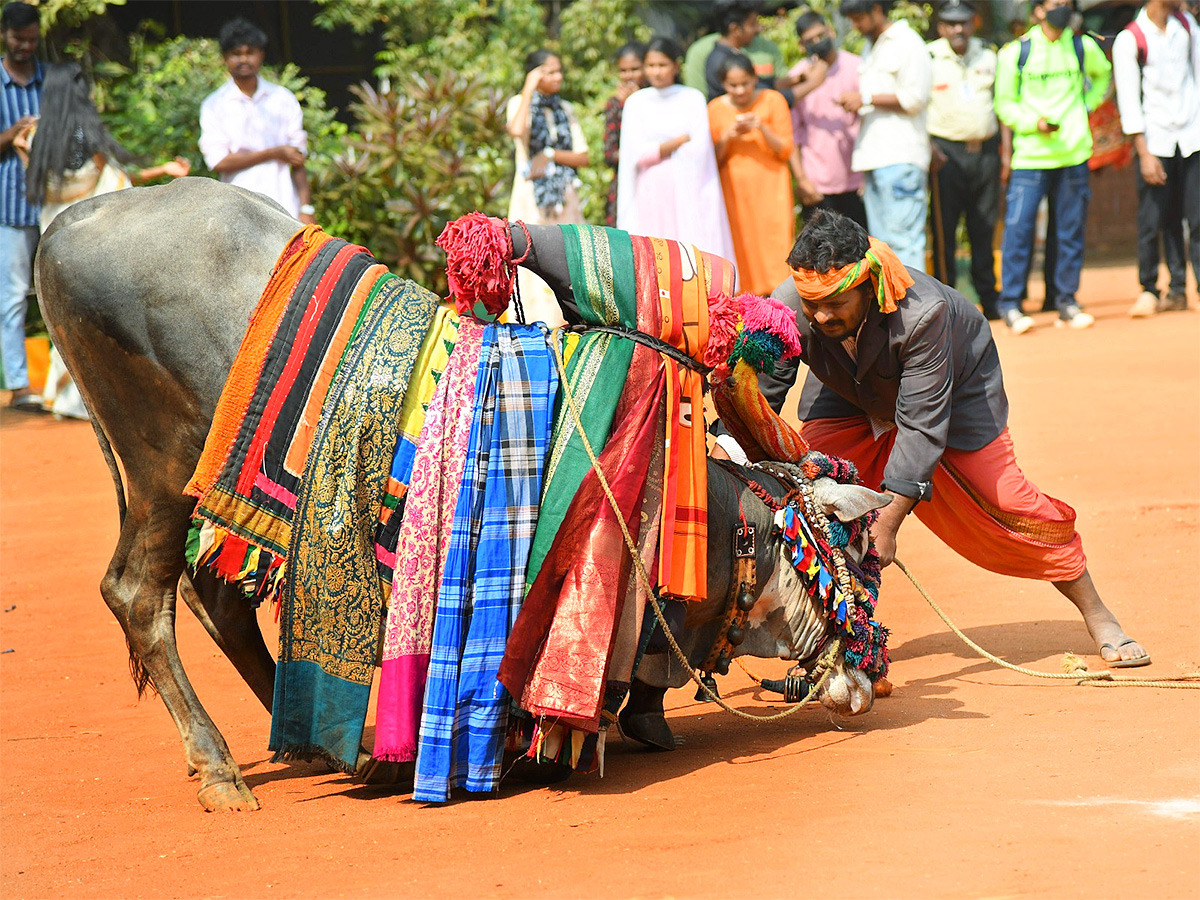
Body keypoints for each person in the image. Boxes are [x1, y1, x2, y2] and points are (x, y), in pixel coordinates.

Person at [752, 208, 1149, 669]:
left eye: (835, 303)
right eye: (811, 304)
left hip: (956, 396)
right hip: (850, 393)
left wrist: (887, 523)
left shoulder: (923, 314)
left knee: (1012, 505)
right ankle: (838, 645)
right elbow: (763, 389)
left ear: (868, 283)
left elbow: (921, 425)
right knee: (809, 498)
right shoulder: (790, 305)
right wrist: (729, 444)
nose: (820, 315)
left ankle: (1098, 613)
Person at [994, 0, 1111, 334]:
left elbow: (1103, 77)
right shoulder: (1015, 52)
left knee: (1070, 232)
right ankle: (1012, 305)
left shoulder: (1082, 45)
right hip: (1030, 158)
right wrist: (1034, 123)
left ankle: (1066, 301)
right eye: (1054, 3)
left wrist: (1085, 106)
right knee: (1019, 231)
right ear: (1038, 11)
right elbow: (1004, 104)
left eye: (1065, 3)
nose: (1061, 8)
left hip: (1073, 154)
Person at [22, 63, 190, 231]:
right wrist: (163, 169)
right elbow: (117, 180)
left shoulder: (36, 137)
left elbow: (33, 177)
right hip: (88, 229)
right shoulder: (88, 134)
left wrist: (18, 148)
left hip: (52, 228)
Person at [1113, 0, 1199, 318]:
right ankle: (1149, 289)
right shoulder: (1131, 38)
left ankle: (1185, 289)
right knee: (1154, 220)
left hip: (1192, 138)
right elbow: (1128, 97)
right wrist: (1144, 153)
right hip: (1156, 140)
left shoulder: (1188, 27)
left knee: (1195, 217)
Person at [617, 36, 734, 263]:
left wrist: (659, 149)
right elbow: (636, 154)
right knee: (656, 253)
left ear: (675, 66)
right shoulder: (636, 103)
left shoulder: (692, 98)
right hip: (650, 190)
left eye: (662, 65)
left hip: (689, 188)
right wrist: (675, 142)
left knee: (689, 255)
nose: (657, 72)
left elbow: (700, 150)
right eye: (651, 66)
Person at [837, 0, 932, 271]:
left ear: (877, 9)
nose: (855, 25)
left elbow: (915, 98)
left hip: (901, 156)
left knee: (905, 241)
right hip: (875, 157)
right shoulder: (872, 46)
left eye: (858, 18)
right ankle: (893, 311)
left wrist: (865, 98)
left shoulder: (907, 43)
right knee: (882, 245)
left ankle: (917, 311)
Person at [927, 0, 1001, 320]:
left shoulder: (989, 55)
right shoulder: (928, 57)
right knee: (944, 229)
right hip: (946, 155)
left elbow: (1001, 102)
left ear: (973, 24)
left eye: (964, 23)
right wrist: (928, 148)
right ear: (941, 27)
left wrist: (1005, 154)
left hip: (984, 152)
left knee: (983, 228)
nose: (958, 29)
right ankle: (947, 304)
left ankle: (990, 299)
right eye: (950, 23)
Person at [199, 18, 313, 224]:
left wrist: (306, 207)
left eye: (250, 52)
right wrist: (273, 152)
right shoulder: (215, 105)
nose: (244, 59)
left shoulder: (283, 99)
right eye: (236, 53)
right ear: (225, 57)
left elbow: (298, 159)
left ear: (261, 54)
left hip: (285, 209)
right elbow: (218, 161)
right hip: (237, 211)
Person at [506, 49, 590, 326]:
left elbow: (583, 156)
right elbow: (517, 130)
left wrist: (551, 154)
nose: (558, 77)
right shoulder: (519, 103)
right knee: (531, 252)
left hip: (564, 196)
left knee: (567, 253)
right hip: (531, 196)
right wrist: (528, 89)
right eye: (550, 71)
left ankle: (567, 319)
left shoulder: (564, 109)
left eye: (559, 70)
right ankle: (533, 321)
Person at [708, 53, 794, 294]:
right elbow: (712, 159)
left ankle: (781, 299)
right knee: (741, 245)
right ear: (723, 84)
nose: (740, 90)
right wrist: (728, 137)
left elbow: (785, 149)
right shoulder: (715, 109)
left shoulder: (773, 100)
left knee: (776, 245)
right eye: (732, 85)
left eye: (745, 83)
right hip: (734, 192)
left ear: (755, 79)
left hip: (771, 189)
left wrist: (761, 127)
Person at [786, 9, 867, 230]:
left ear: (830, 31)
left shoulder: (858, 67)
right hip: (817, 183)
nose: (817, 42)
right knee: (821, 254)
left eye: (821, 35)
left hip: (856, 179)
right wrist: (802, 179)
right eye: (810, 40)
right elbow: (793, 133)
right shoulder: (799, 76)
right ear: (802, 45)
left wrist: (868, 174)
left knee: (861, 252)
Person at [0, 1, 41, 411]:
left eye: (31, 39)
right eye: (18, 38)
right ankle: (18, 385)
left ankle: (68, 390)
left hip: (52, 206)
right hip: (7, 208)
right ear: (4, 36)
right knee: (11, 298)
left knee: (58, 296)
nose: (25, 46)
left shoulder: (50, 79)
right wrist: (11, 133)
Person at [683, 0, 785, 100]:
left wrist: (796, 80)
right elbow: (763, 95)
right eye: (752, 24)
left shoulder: (732, 51)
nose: (758, 29)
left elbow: (763, 83)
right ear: (735, 29)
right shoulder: (716, 59)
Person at [602, 43, 644, 228]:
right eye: (623, 70)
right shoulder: (615, 104)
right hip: (625, 184)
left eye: (635, 69)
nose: (629, 76)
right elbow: (609, 154)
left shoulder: (660, 101)